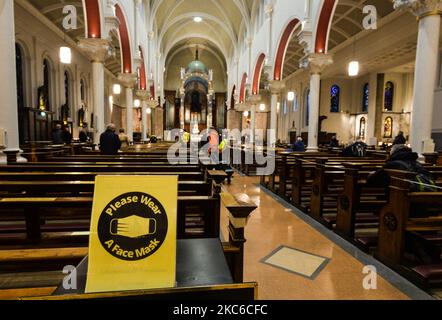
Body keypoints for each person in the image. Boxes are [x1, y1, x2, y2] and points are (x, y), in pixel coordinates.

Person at [366, 144, 436, 193]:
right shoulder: (418, 164)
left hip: (401, 200)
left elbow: (373, 180)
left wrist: (370, 175)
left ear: (393, 153)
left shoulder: (392, 165)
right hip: (422, 200)